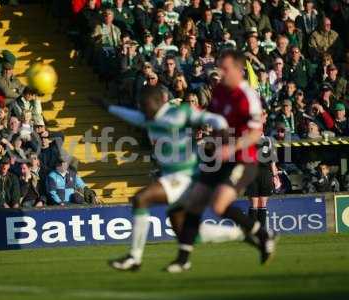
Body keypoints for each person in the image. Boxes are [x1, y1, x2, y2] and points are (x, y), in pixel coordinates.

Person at [99, 85, 244, 271]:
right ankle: (242, 233)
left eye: (146, 104)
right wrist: (108, 107)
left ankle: (134, 258)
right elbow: (130, 116)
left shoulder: (179, 113)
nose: (143, 109)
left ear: (159, 102)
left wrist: (224, 134)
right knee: (188, 232)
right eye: (141, 105)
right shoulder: (149, 118)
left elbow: (215, 119)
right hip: (172, 176)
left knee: (141, 199)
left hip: (186, 176)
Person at [166, 50, 277, 273]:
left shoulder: (248, 96)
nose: (220, 73)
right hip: (221, 157)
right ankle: (183, 258)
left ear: (239, 70)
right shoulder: (218, 92)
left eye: (225, 69)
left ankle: (262, 233)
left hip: (244, 160)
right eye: (219, 68)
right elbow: (215, 125)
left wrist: (231, 148)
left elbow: (256, 134)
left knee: (218, 205)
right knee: (194, 201)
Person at [246, 110, 278, 229]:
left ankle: (261, 230)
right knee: (254, 203)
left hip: (265, 173)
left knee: (263, 203)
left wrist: (275, 176)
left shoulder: (268, 141)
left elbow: (272, 160)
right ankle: (251, 230)